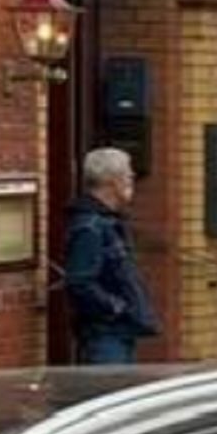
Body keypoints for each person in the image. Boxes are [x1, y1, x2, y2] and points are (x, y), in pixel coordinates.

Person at [60, 146, 160, 365]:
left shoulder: (109, 222)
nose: (132, 178)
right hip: (104, 335)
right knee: (110, 384)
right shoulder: (90, 227)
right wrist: (117, 308)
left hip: (120, 332)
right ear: (112, 181)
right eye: (127, 174)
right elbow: (80, 282)